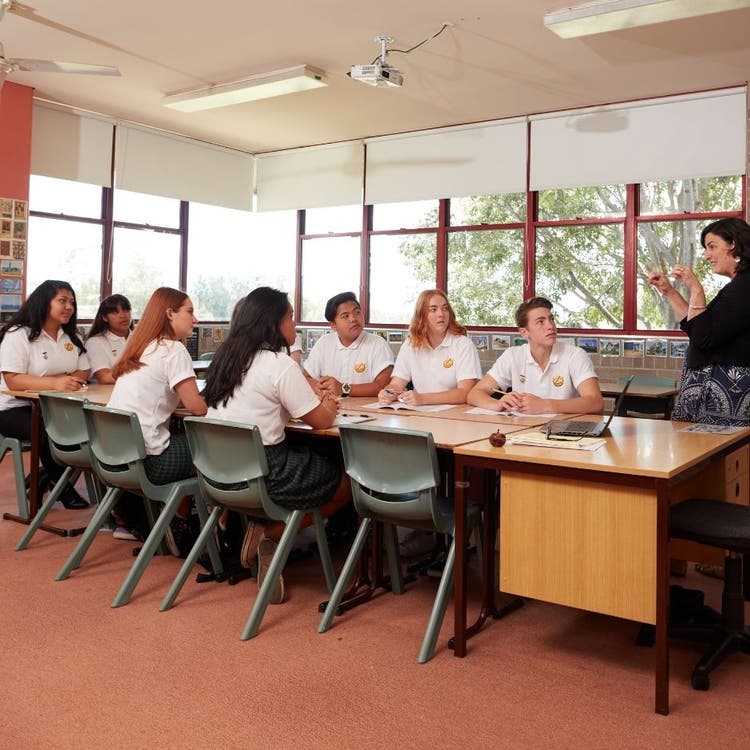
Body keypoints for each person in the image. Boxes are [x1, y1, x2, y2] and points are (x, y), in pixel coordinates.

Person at [202, 287, 351, 604]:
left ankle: (260, 528)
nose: (294, 325)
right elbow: (321, 421)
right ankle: (271, 535)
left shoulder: (225, 360)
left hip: (217, 473)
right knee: (347, 480)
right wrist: (329, 404)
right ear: (273, 321)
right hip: (267, 472)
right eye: (291, 316)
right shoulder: (279, 364)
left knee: (313, 457)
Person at [108, 287, 207, 556]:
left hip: (113, 458)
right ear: (169, 313)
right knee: (208, 449)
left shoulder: (142, 347)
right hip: (149, 462)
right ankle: (180, 524)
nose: (194, 319)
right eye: (189, 311)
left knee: (184, 440)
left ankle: (173, 520)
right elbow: (197, 408)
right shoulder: (173, 350)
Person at [648, 217, 750, 426]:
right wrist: (669, 291)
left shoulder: (744, 287)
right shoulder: (738, 286)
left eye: (712, 247)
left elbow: (703, 338)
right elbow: (699, 328)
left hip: (723, 394)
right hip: (713, 393)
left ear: (734, 244)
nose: (707, 256)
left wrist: (696, 288)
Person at [0, 280, 91, 509]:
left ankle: (42, 477)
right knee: (49, 432)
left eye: (71, 301)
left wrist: (65, 380)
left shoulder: (70, 336)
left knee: (90, 427)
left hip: (55, 407)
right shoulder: (18, 334)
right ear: (44, 302)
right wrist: (55, 382)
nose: (69, 306)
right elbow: (13, 379)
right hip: (12, 409)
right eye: (62, 300)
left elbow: (84, 369)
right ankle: (63, 488)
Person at [467, 297, 603, 415]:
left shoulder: (575, 355)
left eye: (551, 319)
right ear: (524, 332)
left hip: (563, 433)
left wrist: (545, 405)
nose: (551, 326)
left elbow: (595, 403)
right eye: (540, 322)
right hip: (522, 431)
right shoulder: (512, 356)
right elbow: (474, 394)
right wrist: (498, 404)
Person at [378, 289, 481, 406]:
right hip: (420, 413)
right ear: (421, 315)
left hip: (454, 415)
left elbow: (465, 392)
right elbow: (397, 383)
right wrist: (388, 392)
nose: (441, 314)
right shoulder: (410, 344)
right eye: (433, 310)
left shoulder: (463, 344)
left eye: (445, 308)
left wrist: (423, 399)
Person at [304, 291, 394, 398]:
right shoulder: (324, 343)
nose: (353, 319)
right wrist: (321, 387)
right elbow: (306, 378)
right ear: (333, 325)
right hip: (330, 408)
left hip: (366, 411)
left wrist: (343, 388)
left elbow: (383, 385)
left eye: (357, 312)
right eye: (345, 316)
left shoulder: (377, 344)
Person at [85, 294, 133, 385]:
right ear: (104, 317)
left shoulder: (141, 338)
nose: (123, 315)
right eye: (115, 312)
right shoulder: (95, 342)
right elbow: (105, 378)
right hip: (107, 396)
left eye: (126, 310)